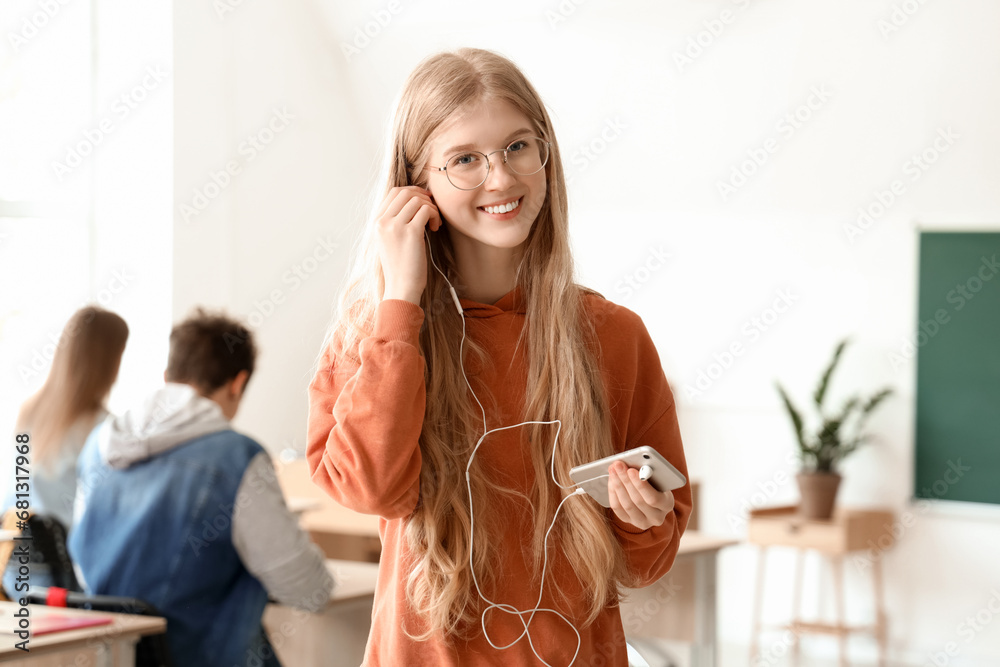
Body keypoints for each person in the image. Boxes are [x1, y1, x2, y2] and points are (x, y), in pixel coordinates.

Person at [306, 48, 692, 666]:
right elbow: (371, 489)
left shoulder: (614, 336)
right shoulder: (372, 337)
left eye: (518, 146)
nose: (501, 178)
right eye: (464, 159)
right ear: (415, 184)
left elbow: (648, 562)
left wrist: (643, 518)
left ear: (546, 154)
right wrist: (401, 300)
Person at [69, 307, 334, 667]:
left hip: (113, 657)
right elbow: (308, 590)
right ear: (237, 383)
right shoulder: (237, 458)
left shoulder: (99, 446)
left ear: (167, 377)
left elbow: (82, 566)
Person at [1, 305, 128, 595]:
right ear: (110, 360)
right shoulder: (104, 429)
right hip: (67, 582)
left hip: (15, 572)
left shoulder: (28, 413)